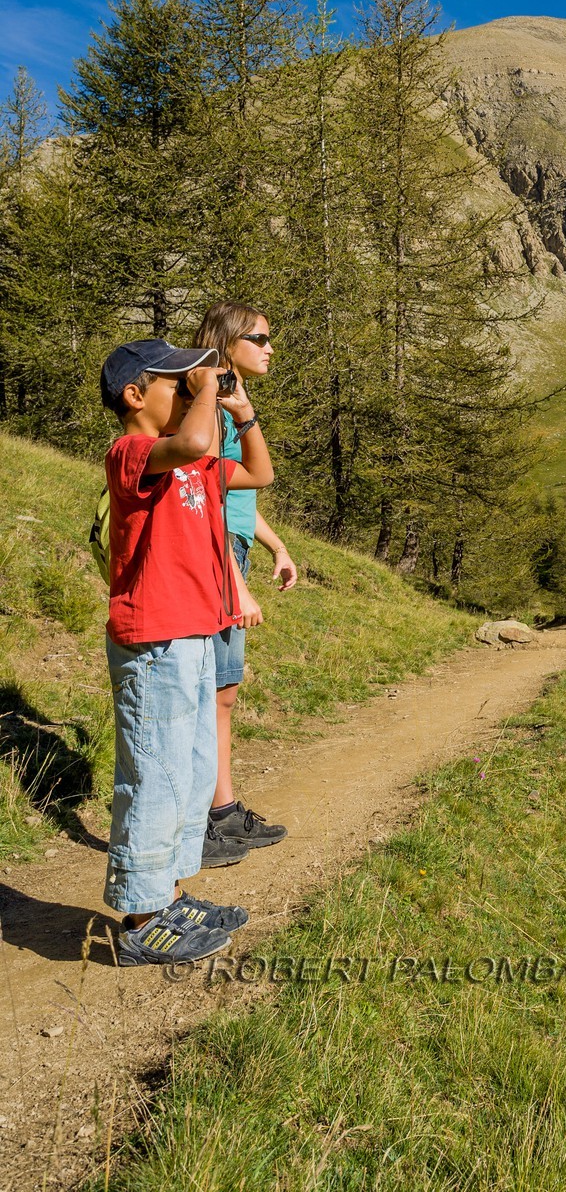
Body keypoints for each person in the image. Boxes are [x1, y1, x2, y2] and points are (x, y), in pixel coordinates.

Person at [99, 338, 275, 965]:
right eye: (174, 382)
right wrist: (207, 392)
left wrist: (241, 410)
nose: (188, 388)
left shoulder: (193, 464)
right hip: (154, 640)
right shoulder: (133, 453)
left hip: (194, 634)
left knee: (192, 775)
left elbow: (257, 474)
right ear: (135, 396)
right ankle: (143, 918)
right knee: (157, 778)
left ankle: (167, 895)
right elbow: (196, 441)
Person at [193, 301, 297, 864]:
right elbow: (203, 505)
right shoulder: (208, 412)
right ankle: (204, 820)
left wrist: (276, 546)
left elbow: (234, 494)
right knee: (210, 692)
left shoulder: (228, 405)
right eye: (259, 338)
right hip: (216, 560)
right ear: (229, 342)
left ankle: (222, 811)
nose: (269, 348)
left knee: (223, 692)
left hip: (231, 551)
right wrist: (236, 583)